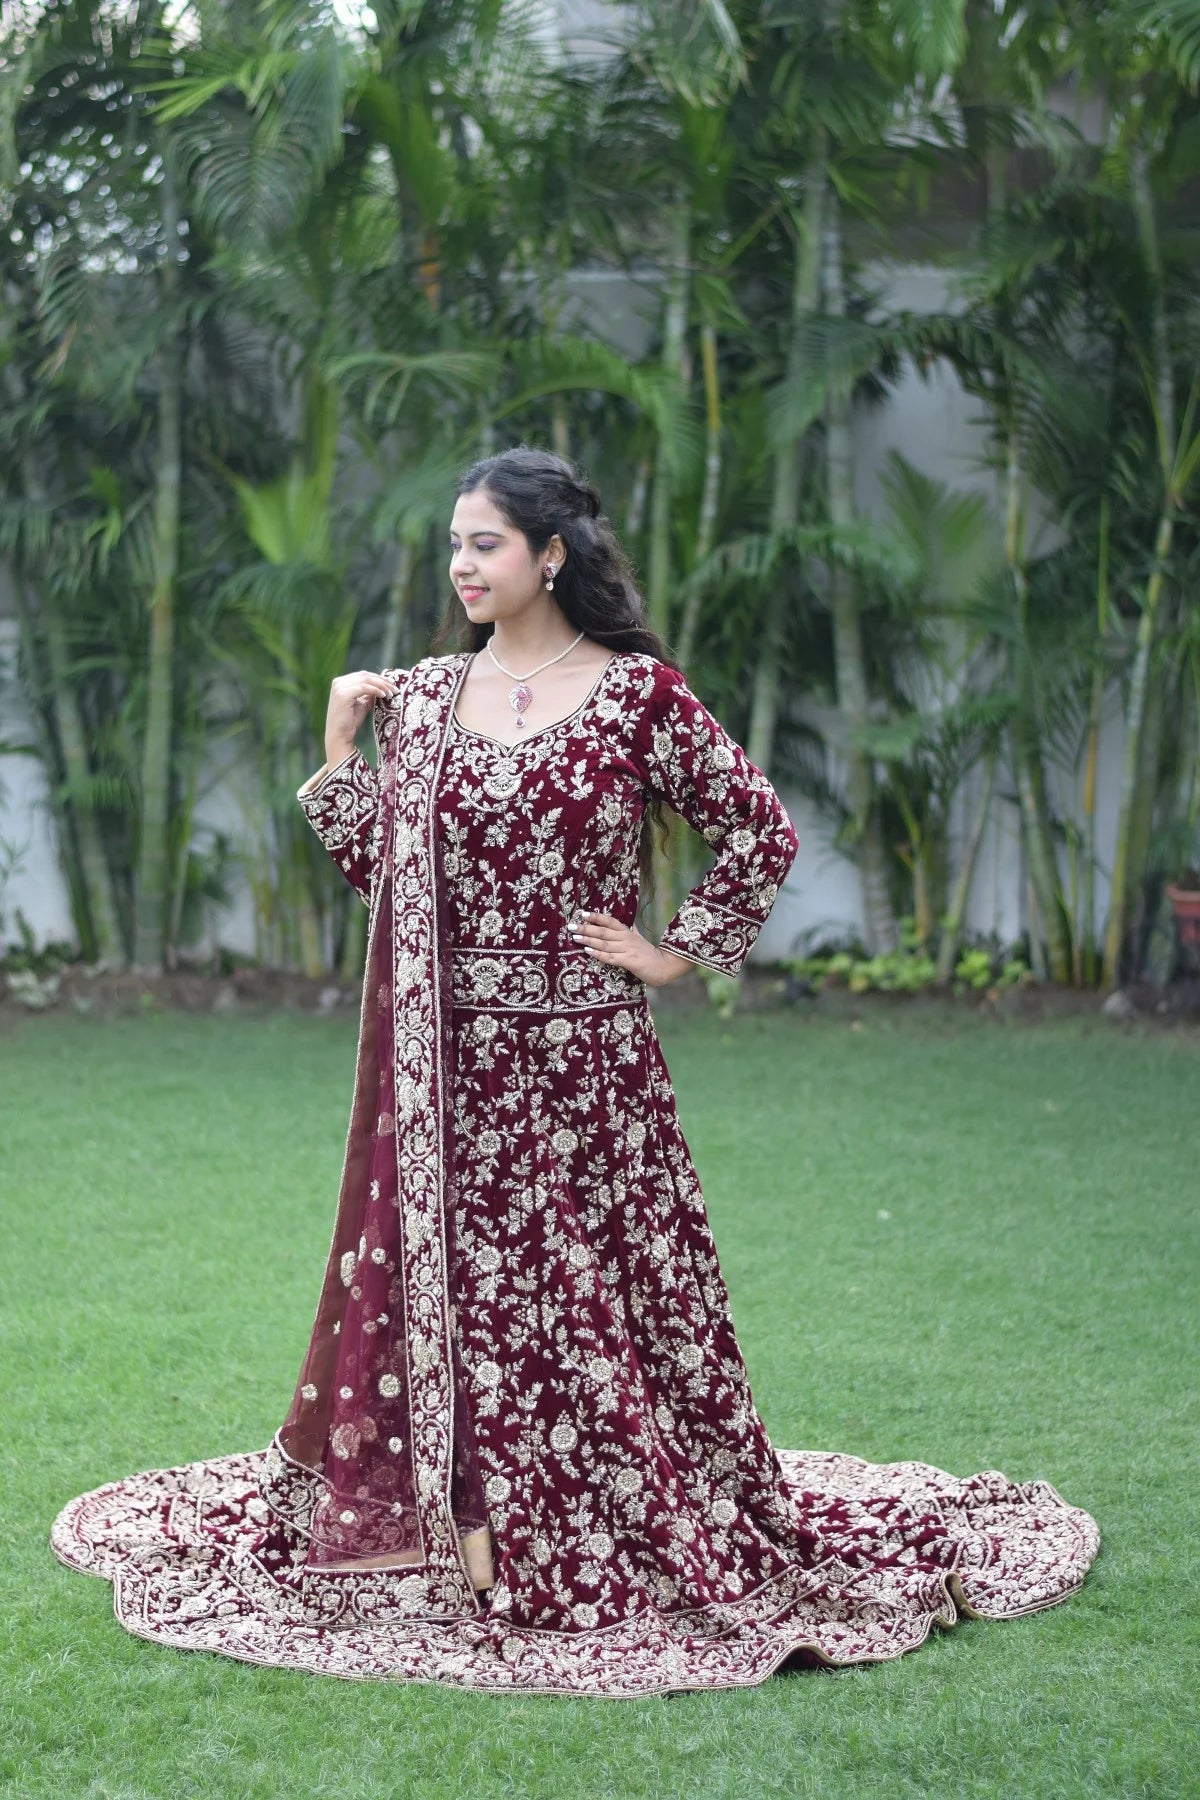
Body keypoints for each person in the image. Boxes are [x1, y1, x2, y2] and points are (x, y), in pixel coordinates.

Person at [51, 446, 1099, 1698]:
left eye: (484, 543)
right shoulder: (428, 698)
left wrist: (673, 956)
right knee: (475, 1313)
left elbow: (760, 828)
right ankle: (476, 1538)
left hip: (592, 1076)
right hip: (458, 1082)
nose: (461, 565)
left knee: (600, 1313)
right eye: (454, 544)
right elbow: (399, 889)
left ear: (551, 554)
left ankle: (600, 1528)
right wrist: (340, 757)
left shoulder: (640, 698)